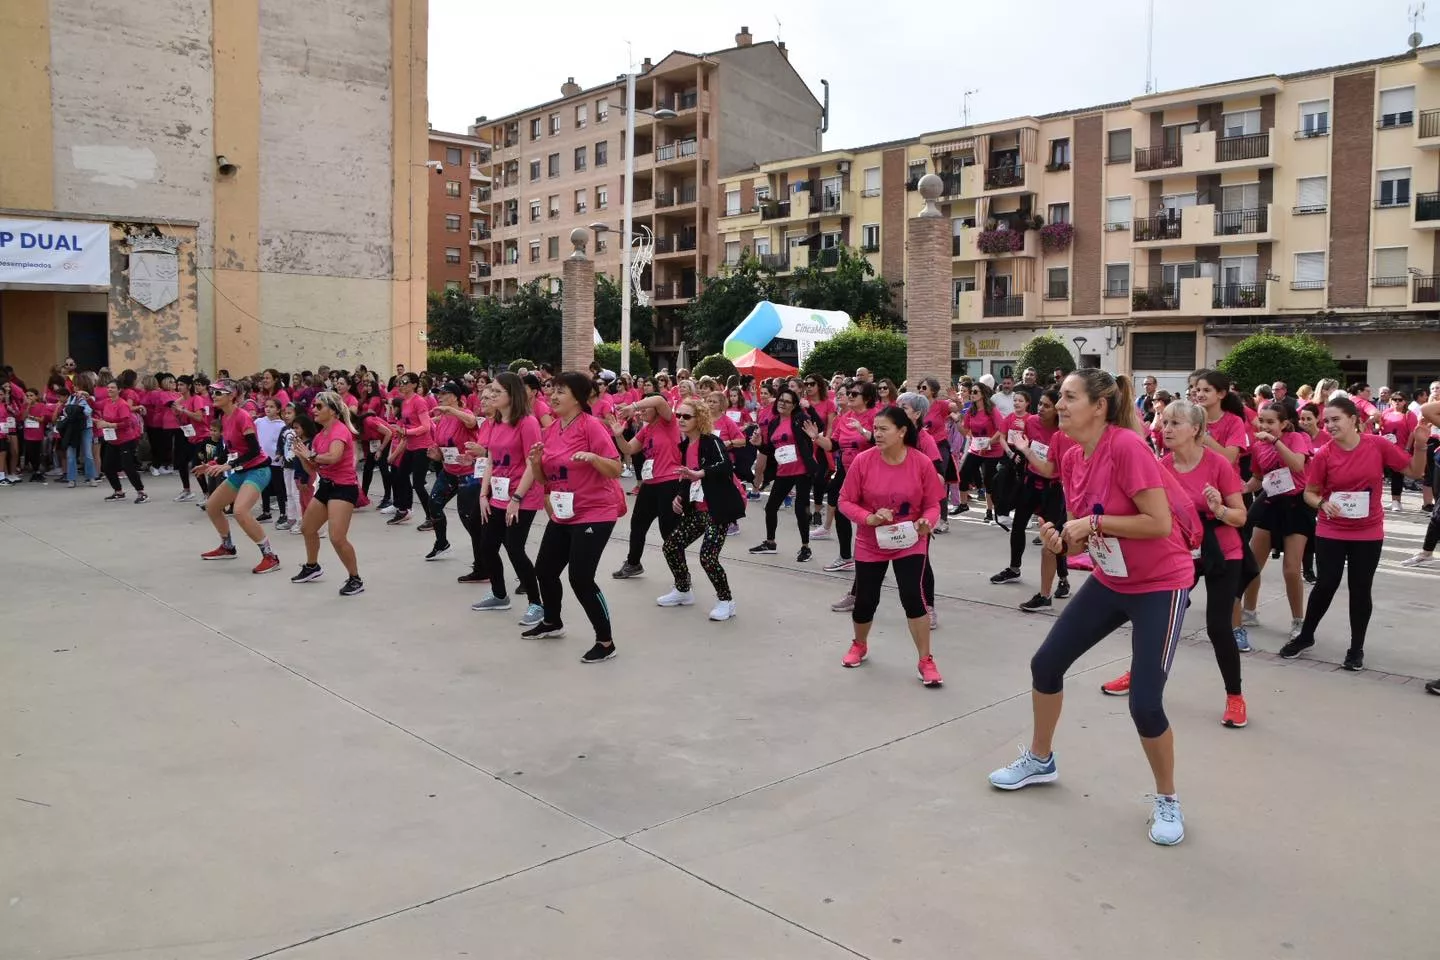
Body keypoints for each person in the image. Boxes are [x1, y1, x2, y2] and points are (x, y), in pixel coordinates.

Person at [989, 370, 1198, 847]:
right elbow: (1082, 526)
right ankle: (1040, 760)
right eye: (1057, 396)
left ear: (1099, 405)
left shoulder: (1125, 445)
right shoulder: (1069, 449)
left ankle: (1167, 797)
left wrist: (1093, 522)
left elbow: (1158, 522)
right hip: (1111, 578)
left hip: (1159, 585)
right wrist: (1059, 538)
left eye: (1068, 397)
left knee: (1144, 703)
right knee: (1046, 663)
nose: (1057, 404)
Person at [1097, 399, 1251, 728]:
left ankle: (1235, 697)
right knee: (1153, 616)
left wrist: (1219, 508)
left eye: (1175, 423)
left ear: (1196, 429)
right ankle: (1138, 676)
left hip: (1223, 552)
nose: (1166, 428)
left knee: (1218, 626)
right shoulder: (1162, 466)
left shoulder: (1218, 465)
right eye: (1164, 422)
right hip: (1183, 552)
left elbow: (1240, 517)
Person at [1280, 397, 1434, 670]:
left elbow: (1415, 470)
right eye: (1327, 420)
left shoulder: (1377, 445)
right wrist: (1323, 504)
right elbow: (1310, 493)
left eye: (1335, 419)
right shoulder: (1325, 453)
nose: (1330, 424)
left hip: (1368, 531)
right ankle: (1305, 636)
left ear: (1354, 420)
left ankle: (1356, 648)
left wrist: (1421, 444)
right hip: (1331, 529)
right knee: (1326, 583)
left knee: (1360, 589)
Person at [837, 407, 945, 686]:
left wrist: (926, 521)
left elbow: (934, 504)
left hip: (910, 540)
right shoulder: (863, 461)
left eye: (884, 428)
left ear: (902, 431)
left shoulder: (921, 463)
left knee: (913, 596)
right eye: (875, 428)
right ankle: (859, 644)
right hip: (871, 541)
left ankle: (925, 660)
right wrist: (869, 517)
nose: (877, 433)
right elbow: (845, 500)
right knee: (865, 600)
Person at [522, 371, 625, 663]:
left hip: (595, 511)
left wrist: (593, 458)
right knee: (545, 569)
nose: (553, 396)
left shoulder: (592, 427)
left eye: (561, 392)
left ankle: (605, 642)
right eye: (552, 390)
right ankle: (552, 622)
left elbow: (616, 469)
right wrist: (535, 463)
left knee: (580, 578)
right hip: (563, 511)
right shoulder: (551, 430)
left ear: (578, 398)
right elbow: (545, 479)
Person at [655, 398, 745, 621]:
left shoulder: (711, 441)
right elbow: (687, 476)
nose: (681, 420)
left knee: (708, 557)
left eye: (687, 416)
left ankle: (726, 601)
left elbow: (725, 465)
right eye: (678, 416)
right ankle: (683, 590)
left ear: (700, 418)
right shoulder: (685, 445)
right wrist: (679, 496)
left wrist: (701, 473)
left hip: (717, 509)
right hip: (697, 510)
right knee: (671, 546)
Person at [469, 373, 544, 623]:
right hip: (498, 496)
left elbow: (532, 464)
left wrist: (517, 497)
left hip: (522, 496)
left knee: (514, 548)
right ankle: (499, 595)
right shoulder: (497, 422)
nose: (491, 395)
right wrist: (483, 493)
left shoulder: (528, 423)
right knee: (487, 546)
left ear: (512, 395)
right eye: (492, 391)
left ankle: (536, 603)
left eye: (497, 391)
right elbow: (490, 459)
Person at [1240, 401, 1314, 641]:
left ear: (1284, 424)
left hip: (1296, 506)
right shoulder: (1258, 447)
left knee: (1292, 569)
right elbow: (1258, 478)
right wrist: (1240, 487)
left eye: (1271, 422)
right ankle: (1249, 611)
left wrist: (1275, 442)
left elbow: (1297, 465)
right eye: (1262, 421)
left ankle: (1298, 620)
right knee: (1252, 563)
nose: (1265, 426)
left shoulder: (1297, 439)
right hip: (1270, 503)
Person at [197, 380, 282, 574]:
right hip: (241, 470)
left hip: (258, 470)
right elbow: (231, 450)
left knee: (240, 511)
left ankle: (270, 556)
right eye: (213, 393)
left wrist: (230, 465)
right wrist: (211, 465)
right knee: (212, 507)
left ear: (231, 395)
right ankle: (227, 547)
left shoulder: (242, 417)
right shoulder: (225, 418)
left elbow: (253, 450)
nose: (214, 396)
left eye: (219, 393)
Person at [992, 388, 1068, 594]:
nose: (1041, 408)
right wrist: (1018, 457)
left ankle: (1063, 579)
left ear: (1057, 409)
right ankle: (1014, 568)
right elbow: (1023, 444)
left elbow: (1062, 465)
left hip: (1052, 487)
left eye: (1047, 405)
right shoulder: (1031, 422)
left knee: (1053, 535)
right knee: (1018, 526)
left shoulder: (1064, 431)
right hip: (1030, 481)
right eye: (1040, 404)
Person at [288, 392, 364, 596]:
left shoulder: (340, 431)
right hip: (327, 486)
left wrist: (310, 454)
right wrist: (302, 456)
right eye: (314, 405)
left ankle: (355, 578)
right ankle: (312, 567)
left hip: (344, 487)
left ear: (332, 410)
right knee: (307, 528)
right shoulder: (320, 436)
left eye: (319, 406)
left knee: (337, 537)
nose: (314, 409)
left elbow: (333, 457)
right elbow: (313, 469)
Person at [609, 394, 682, 579]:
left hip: (669, 483)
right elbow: (628, 449)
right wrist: (618, 436)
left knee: (668, 531)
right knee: (638, 525)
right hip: (650, 484)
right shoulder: (646, 429)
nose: (640, 413)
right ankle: (633, 563)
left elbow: (658, 399)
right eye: (639, 410)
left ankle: (681, 574)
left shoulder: (669, 422)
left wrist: (633, 406)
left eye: (644, 408)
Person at [807, 380, 877, 570]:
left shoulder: (876, 416)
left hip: (872, 473)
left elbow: (882, 440)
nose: (850, 397)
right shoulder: (844, 418)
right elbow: (833, 445)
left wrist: (862, 431)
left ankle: (874, 560)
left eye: (855, 394)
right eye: (850, 393)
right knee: (841, 509)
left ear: (868, 398)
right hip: (847, 471)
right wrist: (816, 437)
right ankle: (846, 557)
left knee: (872, 516)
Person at [749, 387, 823, 562]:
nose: (782, 403)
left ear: (794, 405)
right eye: (780, 400)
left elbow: (818, 426)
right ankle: (770, 543)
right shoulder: (774, 422)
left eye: (787, 401)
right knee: (771, 507)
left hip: (802, 469)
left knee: (800, 509)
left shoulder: (799, 418)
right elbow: (770, 450)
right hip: (784, 470)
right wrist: (759, 445)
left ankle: (805, 547)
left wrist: (810, 409)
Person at [422, 381, 481, 561]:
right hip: (449, 471)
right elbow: (443, 447)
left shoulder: (464, 414)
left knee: (468, 517)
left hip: (468, 473)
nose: (439, 397)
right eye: (438, 393)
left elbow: (472, 422)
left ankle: (483, 558)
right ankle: (442, 544)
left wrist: (452, 410)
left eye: (443, 393)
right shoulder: (443, 419)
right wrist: (437, 456)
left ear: (455, 396)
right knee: (434, 505)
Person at [387, 373, 433, 525]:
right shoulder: (405, 402)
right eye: (399, 382)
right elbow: (406, 424)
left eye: (405, 382)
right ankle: (404, 509)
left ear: (414, 384)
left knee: (418, 484)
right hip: (411, 445)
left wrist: (406, 432)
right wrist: (401, 430)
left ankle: (431, 516)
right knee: (400, 475)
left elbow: (425, 427)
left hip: (422, 446)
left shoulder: (419, 402)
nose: (401, 385)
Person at [93, 380, 148, 503]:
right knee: (107, 467)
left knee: (128, 467)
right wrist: (86, 397)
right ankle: (118, 491)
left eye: (113, 387)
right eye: (108, 388)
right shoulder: (107, 402)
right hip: (113, 440)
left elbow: (126, 423)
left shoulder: (122, 404)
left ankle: (142, 492)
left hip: (126, 440)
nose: (110, 390)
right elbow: (95, 406)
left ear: (119, 390)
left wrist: (108, 424)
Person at [957, 380, 1005, 520]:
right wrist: (957, 422)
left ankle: (990, 511)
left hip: (993, 449)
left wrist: (989, 442)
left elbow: (1002, 430)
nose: (972, 394)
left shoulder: (992, 410)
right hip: (976, 449)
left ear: (983, 394)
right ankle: (963, 504)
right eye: (971, 391)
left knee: (989, 480)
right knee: (963, 473)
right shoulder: (971, 411)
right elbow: (965, 431)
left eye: (975, 392)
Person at [1378, 390, 1418, 512]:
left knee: (1397, 475)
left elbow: (1412, 432)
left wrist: (1407, 448)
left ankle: (1397, 501)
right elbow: (1380, 428)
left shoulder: (1409, 414)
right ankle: (1391, 501)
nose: (1397, 402)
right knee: (1384, 475)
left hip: (1400, 448)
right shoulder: (1386, 413)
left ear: (1405, 401)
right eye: (1394, 399)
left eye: (1400, 400)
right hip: (1385, 448)